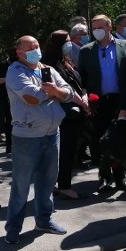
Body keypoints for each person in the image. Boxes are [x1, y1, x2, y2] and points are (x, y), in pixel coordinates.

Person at [4, 36, 74, 243]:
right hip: (27, 136)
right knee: (21, 185)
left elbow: (69, 93)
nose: (36, 50)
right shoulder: (15, 72)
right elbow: (31, 98)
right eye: (30, 47)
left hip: (53, 134)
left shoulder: (48, 70)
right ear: (19, 52)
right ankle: (13, 228)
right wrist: (54, 93)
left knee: (48, 181)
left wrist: (55, 92)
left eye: (36, 46)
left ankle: (44, 220)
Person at [78, 14, 126, 190]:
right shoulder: (86, 51)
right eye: (94, 28)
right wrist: (86, 97)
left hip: (121, 100)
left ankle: (121, 176)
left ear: (109, 27)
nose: (97, 31)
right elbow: (82, 78)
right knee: (100, 140)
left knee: (121, 138)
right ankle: (105, 176)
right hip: (98, 102)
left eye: (100, 27)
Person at [41, 30, 90, 200]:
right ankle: (64, 186)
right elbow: (57, 90)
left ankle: (60, 183)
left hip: (75, 113)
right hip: (63, 115)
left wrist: (84, 95)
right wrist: (81, 102)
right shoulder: (48, 64)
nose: (70, 43)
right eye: (67, 41)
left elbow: (77, 83)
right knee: (65, 152)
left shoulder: (65, 61)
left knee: (68, 151)